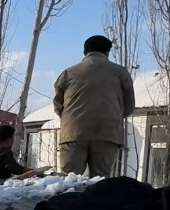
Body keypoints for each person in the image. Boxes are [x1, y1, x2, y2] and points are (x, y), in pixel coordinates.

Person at [52, 35, 136, 178]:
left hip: (73, 134)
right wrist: (111, 115)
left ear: (85, 52)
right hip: (107, 134)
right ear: (107, 52)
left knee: (69, 182)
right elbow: (129, 107)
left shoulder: (69, 73)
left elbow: (58, 104)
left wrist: (71, 118)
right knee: (100, 183)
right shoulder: (120, 73)